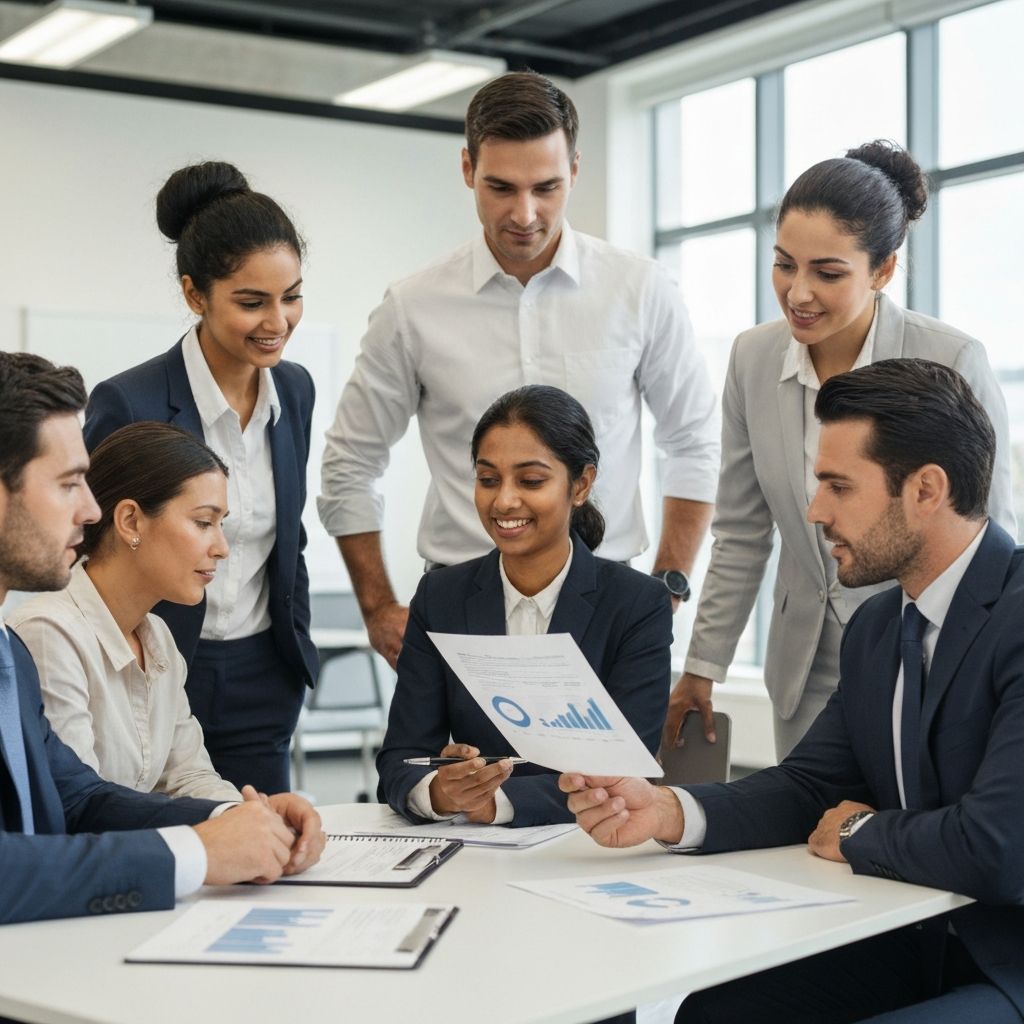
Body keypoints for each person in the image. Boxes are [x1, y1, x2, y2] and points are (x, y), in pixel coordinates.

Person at [562, 359, 1024, 1023]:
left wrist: (862, 831)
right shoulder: (875, 629)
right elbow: (810, 786)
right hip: (911, 942)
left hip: (1008, 963)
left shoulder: (1016, 616)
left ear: (926, 490)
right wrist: (667, 810)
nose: (814, 511)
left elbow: (999, 850)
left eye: (838, 486)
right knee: (711, 1015)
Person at [319, 70, 719, 669]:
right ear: (466, 169)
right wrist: (377, 606)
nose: (525, 214)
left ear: (576, 170)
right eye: (501, 187)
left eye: (547, 187)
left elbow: (694, 443)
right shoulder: (413, 306)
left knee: (609, 770)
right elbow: (350, 464)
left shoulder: (640, 289)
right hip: (461, 600)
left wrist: (670, 579)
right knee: (453, 767)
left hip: (608, 594)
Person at [664, 140, 1015, 760]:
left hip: (925, 656)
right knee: (800, 833)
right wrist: (703, 665)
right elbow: (743, 531)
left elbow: (993, 532)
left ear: (882, 270)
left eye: (827, 273)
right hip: (805, 665)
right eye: (783, 264)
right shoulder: (752, 358)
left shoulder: (950, 359)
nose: (798, 293)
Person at [0, 351, 324, 925]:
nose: (89, 508)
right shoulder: (42, 635)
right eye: (69, 483)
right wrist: (200, 849)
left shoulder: (9, 653)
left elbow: (78, 796)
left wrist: (238, 817)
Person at [83, 161, 317, 793]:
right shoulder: (130, 402)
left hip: (265, 670)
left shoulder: (293, 391)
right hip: (156, 664)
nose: (278, 321)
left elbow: (287, 531)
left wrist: (295, 647)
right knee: (163, 844)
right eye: (251, 302)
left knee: (264, 849)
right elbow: (94, 551)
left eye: (291, 295)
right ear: (195, 294)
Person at [376, 385, 671, 828]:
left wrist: (495, 801)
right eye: (488, 479)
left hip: (591, 847)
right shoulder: (441, 597)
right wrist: (440, 790)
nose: (503, 501)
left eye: (531, 481)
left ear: (581, 484)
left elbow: (623, 771)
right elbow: (402, 758)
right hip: (476, 858)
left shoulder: (636, 604)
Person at [10, 423, 241, 801]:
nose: (221, 547)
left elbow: (190, 777)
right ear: (131, 521)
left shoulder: (159, 639)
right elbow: (83, 808)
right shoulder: (49, 633)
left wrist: (249, 819)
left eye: (221, 525)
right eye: (203, 522)